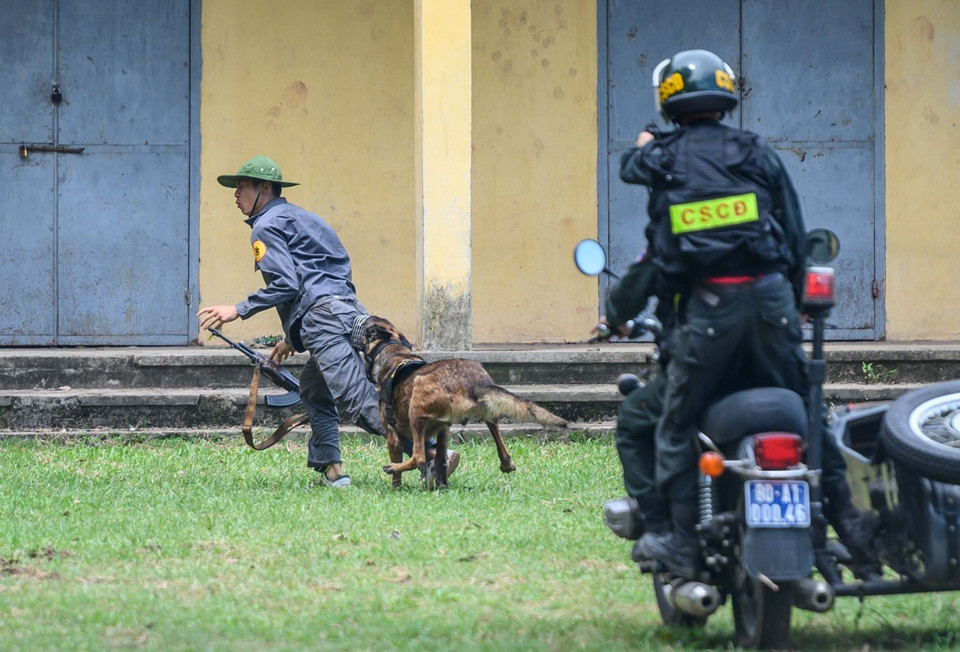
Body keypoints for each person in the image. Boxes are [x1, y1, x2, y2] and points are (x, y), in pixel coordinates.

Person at [617, 49, 861, 578]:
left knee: (676, 426)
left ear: (669, 102)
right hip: (772, 305)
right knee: (808, 410)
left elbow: (632, 171)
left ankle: (682, 546)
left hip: (706, 317)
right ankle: (855, 529)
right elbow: (796, 238)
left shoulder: (663, 158)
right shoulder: (756, 153)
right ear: (726, 96)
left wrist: (647, 143)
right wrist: (792, 302)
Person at [197, 155, 458, 488]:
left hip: (324, 319)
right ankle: (332, 469)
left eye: (242, 186)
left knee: (357, 398)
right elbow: (327, 275)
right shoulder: (308, 219)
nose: (236, 194)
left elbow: (287, 285)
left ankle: (434, 455)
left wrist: (239, 309)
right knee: (313, 387)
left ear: (265, 188)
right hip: (349, 309)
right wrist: (294, 337)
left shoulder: (264, 227)